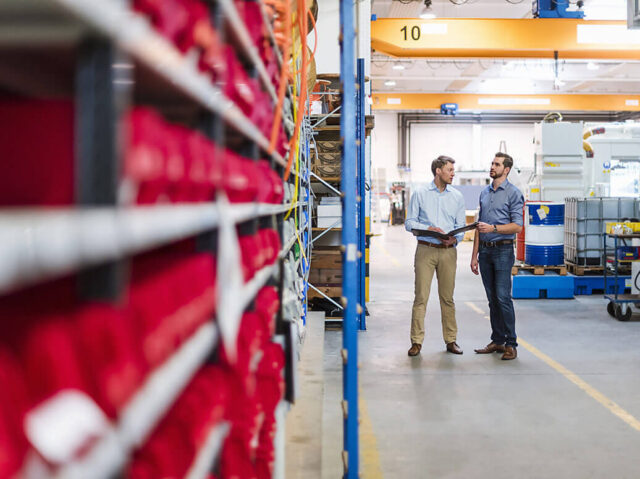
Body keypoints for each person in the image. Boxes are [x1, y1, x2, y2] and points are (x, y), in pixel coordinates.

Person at [405, 156, 466, 357]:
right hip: (426, 249)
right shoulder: (420, 194)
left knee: (447, 298)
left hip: (449, 252)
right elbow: (409, 223)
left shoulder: (457, 197)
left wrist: (455, 239)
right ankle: (416, 342)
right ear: (438, 171)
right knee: (421, 297)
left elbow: (461, 227)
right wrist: (428, 228)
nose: (453, 173)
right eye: (449, 169)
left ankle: (451, 340)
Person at [471, 152, 524, 360]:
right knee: (492, 299)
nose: (492, 167)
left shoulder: (513, 193)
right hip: (484, 251)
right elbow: (479, 226)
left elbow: (517, 226)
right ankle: (498, 340)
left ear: (507, 169)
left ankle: (511, 343)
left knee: (503, 298)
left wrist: (493, 227)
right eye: (492, 163)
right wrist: (474, 255)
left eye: (497, 164)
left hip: (502, 250)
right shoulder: (484, 193)